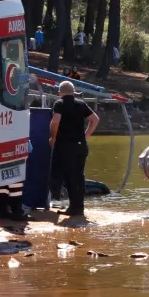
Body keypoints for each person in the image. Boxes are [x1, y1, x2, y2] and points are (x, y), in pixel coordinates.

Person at [49, 80, 99, 217]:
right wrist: (85, 136)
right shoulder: (81, 104)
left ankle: (72, 207)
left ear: (60, 92)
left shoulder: (59, 103)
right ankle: (79, 207)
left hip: (65, 147)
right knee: (79, 176)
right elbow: (95, 119)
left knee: (68, 176)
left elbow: (55, 122)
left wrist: (53, 138)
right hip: (81, 147)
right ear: (73, 92)